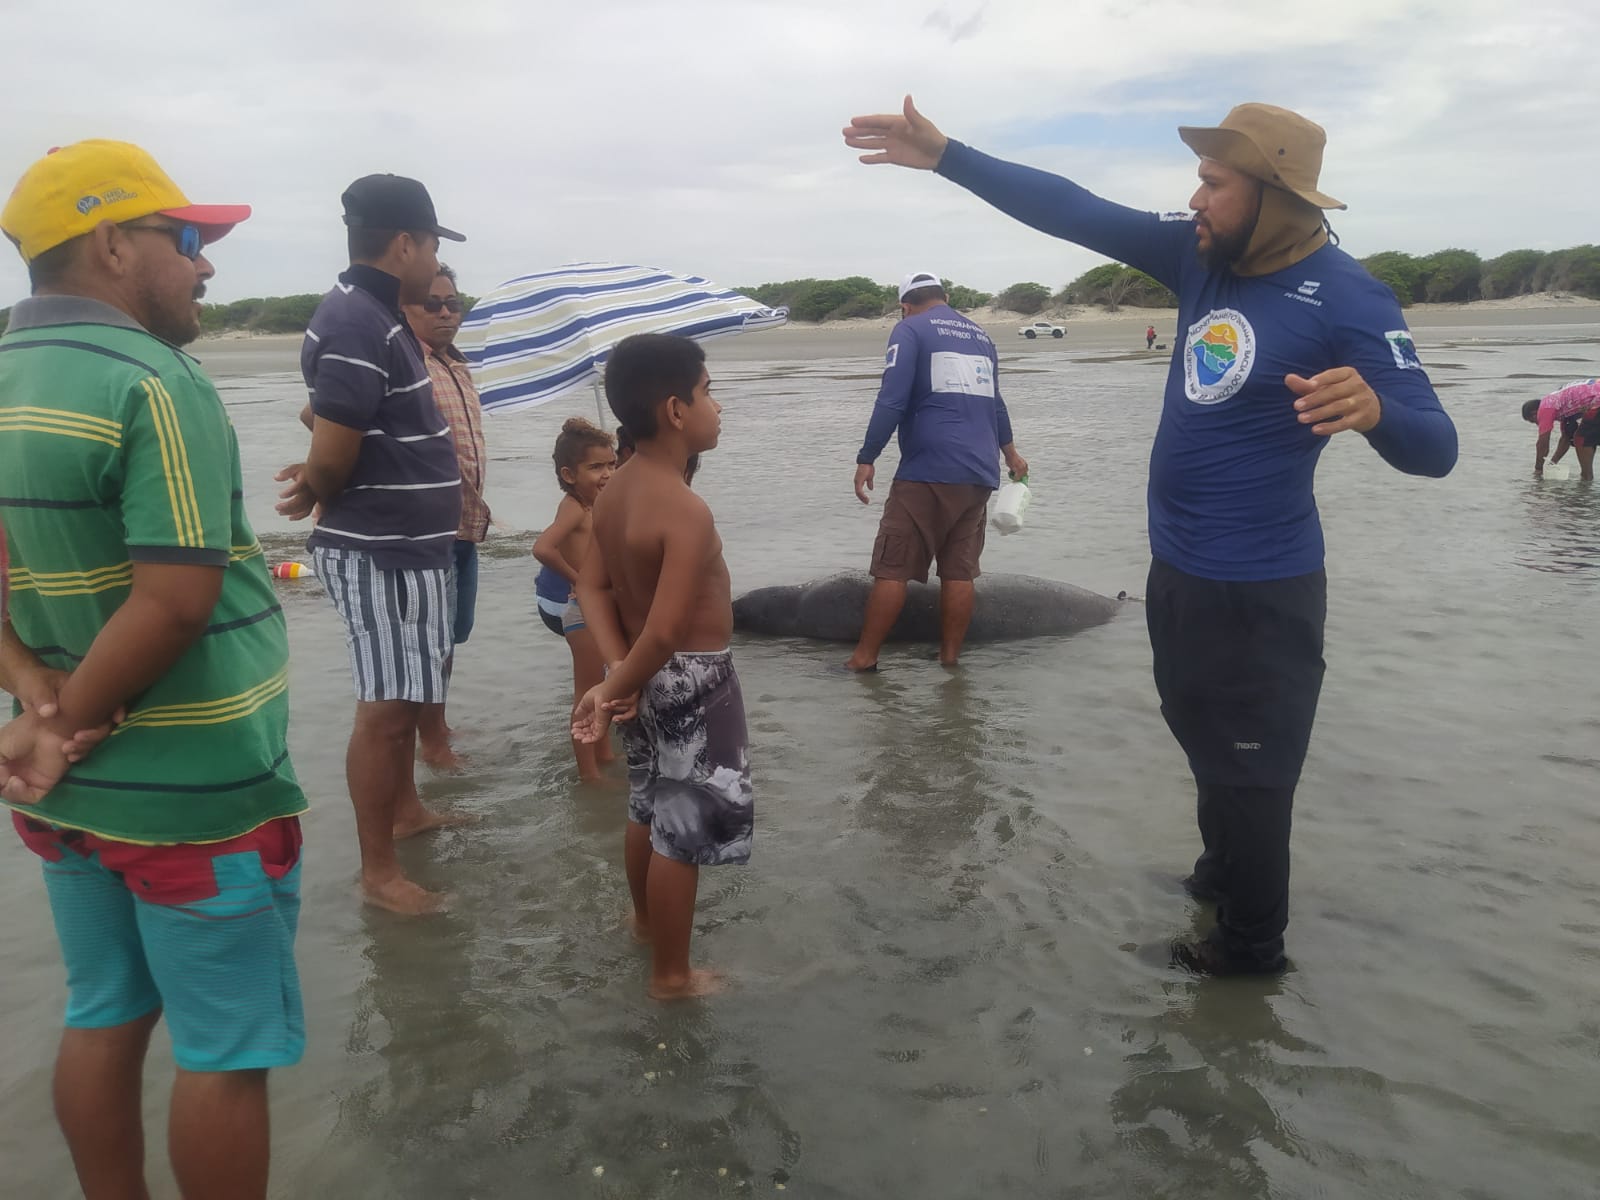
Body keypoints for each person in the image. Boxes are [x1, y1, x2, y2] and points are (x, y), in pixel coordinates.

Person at [843, 98, 1458, 974]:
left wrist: (1377, 410)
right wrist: (947, 155)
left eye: (1213, 182)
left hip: (1263, 589)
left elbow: (1437, 448)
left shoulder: (1351, 299)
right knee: (1197, 731)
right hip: (1179, 571)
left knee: (1253, 775)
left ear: (1276, 195)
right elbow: (1073, 207)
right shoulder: (1200, 256)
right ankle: (1220, 877)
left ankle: (1251, 955)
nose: (1195, 199)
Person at [0, 139, 307, 1198]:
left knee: (102, 1013)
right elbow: (175, 600)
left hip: (66, 791)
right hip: (194, 792)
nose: (206, 267)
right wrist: (68, 719)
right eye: (188, 241)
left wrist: (39, 701)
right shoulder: (155, 379)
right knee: (225, 1052)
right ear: (112, 243)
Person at [275, 173, 466, 916]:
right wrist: (319, 482)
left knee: (408, 695)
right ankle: (377, 872)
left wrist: (330, 458)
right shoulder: (358, 319)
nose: (434, 268)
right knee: (385, 711)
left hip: (408, 547)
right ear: (405, 243)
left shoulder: (375, 318)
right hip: (382, 549)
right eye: (431, 247)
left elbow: (334, 407)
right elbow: (336, 440)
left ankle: (408, 812)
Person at [571, 334, 751, 1000]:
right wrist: (616, 681)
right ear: (676, 410)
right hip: (693, 681)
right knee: (685, 832)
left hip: (643, 679)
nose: (717, 405)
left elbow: (590, 588)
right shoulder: (685, 508)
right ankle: (672, 977)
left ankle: (647, 926)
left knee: (647, 806)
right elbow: (671, 628)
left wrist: (617, 669)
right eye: (708, 392)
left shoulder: (615, 491)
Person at [846, 270, 1028, 671]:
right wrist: (1011, 454)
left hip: (928, 468)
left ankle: (864, 659)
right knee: (958, 571)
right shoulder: (981, 336)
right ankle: (949, 661)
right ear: (945, 296)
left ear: (905, 305)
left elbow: (891, 400)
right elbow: (995, 404)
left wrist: (867, 456)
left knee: (892, 567)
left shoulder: (909, 329)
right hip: (980, 471)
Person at [403, 263, 490, 769]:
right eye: (431, 303)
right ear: (403, 309)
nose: (444, 312)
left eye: (452, 303)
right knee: (427, 639)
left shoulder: (455, 362)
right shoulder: (404, 362)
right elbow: (324, 412)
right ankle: (431, 743)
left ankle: (436, 727)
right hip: (424, 527)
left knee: (450, 634)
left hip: (464, 525)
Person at [532, 418, 619, 781]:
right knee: (586, 693)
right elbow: (543, 548)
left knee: (606, 687)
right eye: (595, 467)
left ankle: (605, 753)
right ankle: (588, 774)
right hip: (581, 615)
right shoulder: (573, 507)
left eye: (612, 465)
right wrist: (580, 580)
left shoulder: (596, 505)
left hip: (600, 612)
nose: (607, 474)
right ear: (569, 474)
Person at [1523, 378, 1600, 480]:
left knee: (1581, 439)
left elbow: (1542, 444)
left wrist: (1538, 470)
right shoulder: (1562, 405)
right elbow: (1565, 439)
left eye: (1534, 421)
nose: (1538, 424)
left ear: (1534, 414)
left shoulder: (1545, 407)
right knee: (1582, 434)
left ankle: (1586, 480)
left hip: (1597, 399)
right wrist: (1552, 464)